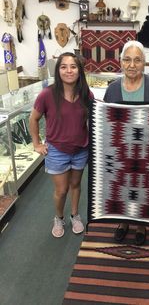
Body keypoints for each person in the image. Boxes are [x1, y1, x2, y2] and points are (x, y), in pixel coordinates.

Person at [103, 40, 149, 245]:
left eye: (137, 60)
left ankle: (141, 225)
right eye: (127, 60)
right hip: (121, 152)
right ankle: (123, 222)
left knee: (143, 188)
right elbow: (105, 120)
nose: (132, 65)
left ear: (144, 63)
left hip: (147, 152)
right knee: (122, 187)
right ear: (121, 62)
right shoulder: (113, 89)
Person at [29, 52, 93, 238]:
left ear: (79, 70)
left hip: (81, 149)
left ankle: (75, 215)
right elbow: (33, 119)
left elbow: (98, 114)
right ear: (58, 71)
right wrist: (37, 144)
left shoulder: (85, 93)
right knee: (61, 189)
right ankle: (59, 217)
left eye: (73, 66)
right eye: (63, 67)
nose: (69, 70)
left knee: (75, 185)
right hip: (57, 151)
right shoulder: (47, 94)